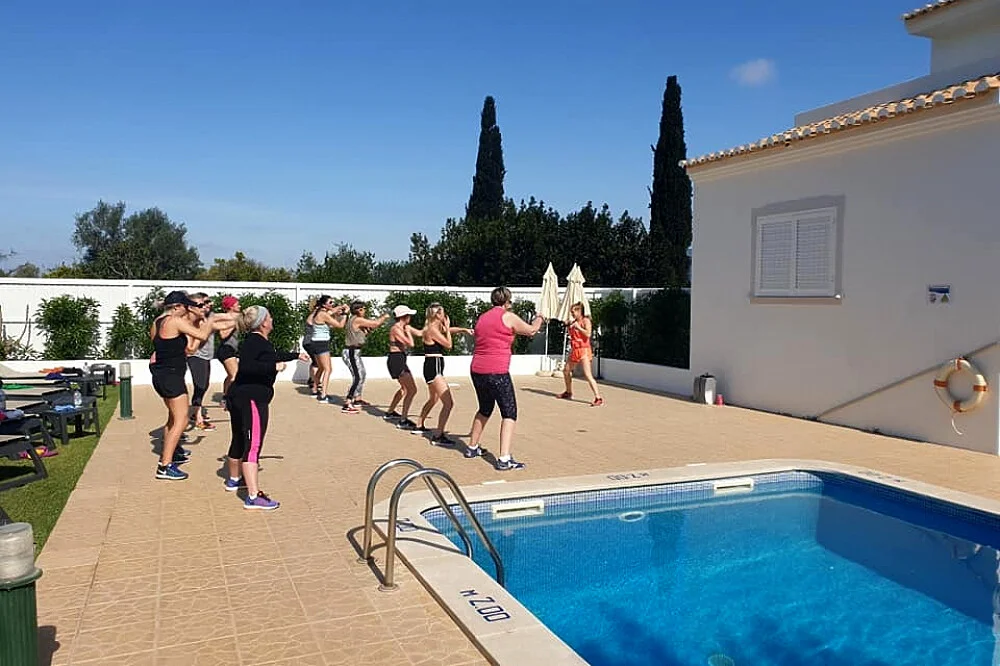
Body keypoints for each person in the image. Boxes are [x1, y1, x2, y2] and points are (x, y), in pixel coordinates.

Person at [223, 305, 309, 509]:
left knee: (239, 438)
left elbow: (270, 356)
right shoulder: (254, 342)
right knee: (253, 445)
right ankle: (253, 496)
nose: (272, 320)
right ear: (263, 323)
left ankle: (234, 480)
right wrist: (274, 367)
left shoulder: (256, 341)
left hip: (240, 396)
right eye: (269, 317)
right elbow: (247, 367)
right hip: (251, 398)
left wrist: (295, 355)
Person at [462, 287, 544, 470]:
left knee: (485, 408)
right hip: (497, 371)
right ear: (507, 301)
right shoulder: (508, 317)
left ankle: (472, 447)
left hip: (477, 369)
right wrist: (540, 318)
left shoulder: (482, 318)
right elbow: (531, 331)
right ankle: (504, 458)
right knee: (509, 412)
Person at [149, 291, 213, 481]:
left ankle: (172, 453)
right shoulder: (175, 321)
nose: (188, 309)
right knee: (182, 420)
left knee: (173, 417)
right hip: (171, 377)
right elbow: (202, 334)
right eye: (185, 306)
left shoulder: (159, 321)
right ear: (177, 307)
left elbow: (184, 348)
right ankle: (164, 466)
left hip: (162, 375)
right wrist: (208, 321)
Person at [412, 303, 473, 445]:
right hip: (434, 367)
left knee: (433, 398)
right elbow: (448, 345)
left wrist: (463, 329)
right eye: (443, 312)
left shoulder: (431, 327)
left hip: (431, 366)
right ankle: (438, 436)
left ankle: (419, 425)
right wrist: (447, 328)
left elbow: (448, 330)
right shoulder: (433, 329)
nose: (445, 315)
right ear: (437, 314)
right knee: (448, 403)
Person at [341, 301, 389, 414]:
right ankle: (348, 402)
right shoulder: (357, 319)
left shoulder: (354, 319)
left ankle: (357, 399)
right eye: (363, 309)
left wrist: (366, 332)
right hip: (351, 352)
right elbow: (375, 323)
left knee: (361, 374)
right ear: (359, 310)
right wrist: (385, 316)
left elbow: (360, 335)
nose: (365, 311)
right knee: (358, 377)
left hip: (354, 351)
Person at [556, 302, 604, 406]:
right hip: (575, 350)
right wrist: (568, 325)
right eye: (571, 312)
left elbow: (588, 334)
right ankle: (568, 392)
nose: (572, 314)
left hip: (584, 350)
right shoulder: (574, 322)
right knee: (566, 371)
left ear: (579, 311)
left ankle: (598, 397)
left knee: (587, 374)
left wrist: (578, 327)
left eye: (573, 312)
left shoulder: (586, 321)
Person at [384, 305, 422, 429]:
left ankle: (390, 412)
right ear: (404, 316)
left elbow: (420, 333)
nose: (410, 317)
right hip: (396, 360)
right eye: (409, 315)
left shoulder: (404, 327)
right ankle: (403, 420)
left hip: (400, 359)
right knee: (412, 390)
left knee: (404, 389)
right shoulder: (396, 329)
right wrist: (408, 332)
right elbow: (410, 343)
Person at [305, 296, 348, 403]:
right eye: (330, 302)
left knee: (321, 368)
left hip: (315, 343)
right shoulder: (323, 314)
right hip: (321, 344)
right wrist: (345, 314)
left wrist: (340, 309)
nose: (332, 304)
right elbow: (340, 325)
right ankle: (323, 395)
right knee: (328, 369)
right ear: (324, 304)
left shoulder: (318, 312)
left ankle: (315, 389)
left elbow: (332, 313)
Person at [215, 295, 241, 408]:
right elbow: (222, 334)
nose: (239, 306)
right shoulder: (225, 318)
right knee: (236, 375)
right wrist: (234, 323)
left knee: (231, 375)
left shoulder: (237, 317)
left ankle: (225, 398)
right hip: (226, 349)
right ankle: (232, 399)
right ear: (231, 307)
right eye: (237, 304)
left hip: (231, 349)